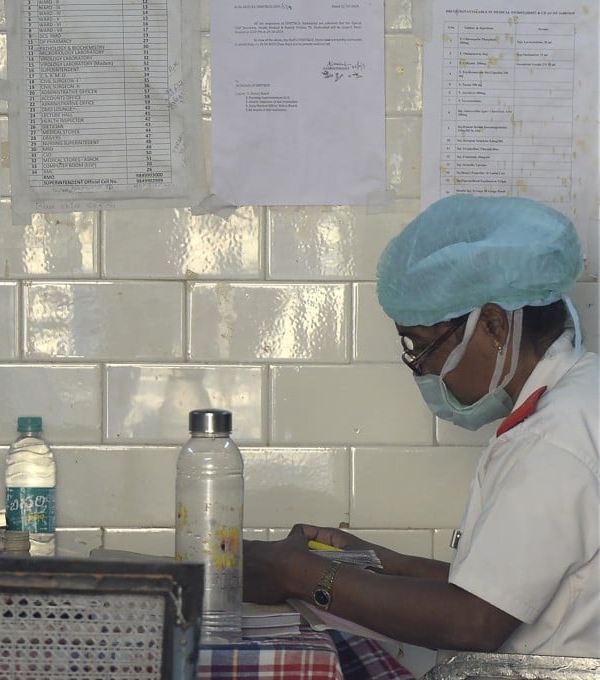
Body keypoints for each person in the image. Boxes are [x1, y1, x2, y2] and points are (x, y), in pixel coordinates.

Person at [243, 194, 598, 656]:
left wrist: (299, 575)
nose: (424, 373)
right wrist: (381, 565)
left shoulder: (555, 438)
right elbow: (502, 586)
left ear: (492, 324)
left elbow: (473, 620)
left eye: (422, 347)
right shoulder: (577, 395)